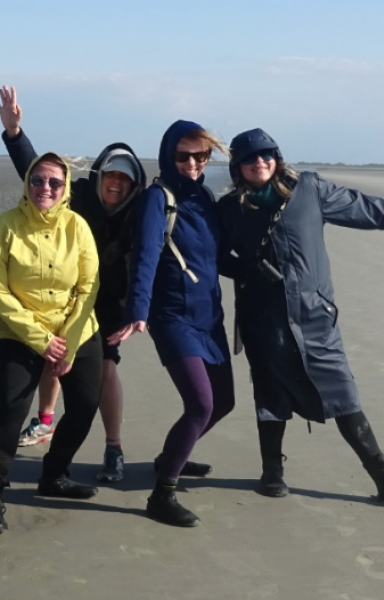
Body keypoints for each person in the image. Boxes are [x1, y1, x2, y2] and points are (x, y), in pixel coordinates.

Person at [218, 128, 384, 501]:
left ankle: (380, 474)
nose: (258, 162)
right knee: (270, 394)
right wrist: (245, 269)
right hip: (263, 319)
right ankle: (272, 473)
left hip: (315, 317)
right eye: (248, 158)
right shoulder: (230, 209)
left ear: (276, 157)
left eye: (265, 154)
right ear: (237, 166)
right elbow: (210, 253)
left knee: (343, 394)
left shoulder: (309, 190)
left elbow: (368, 209)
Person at [0, 85, 146, 482]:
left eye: (124, 180)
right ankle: (45, 420)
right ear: (99, 176)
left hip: (107, 301)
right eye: (110, 175)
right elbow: (37, 173)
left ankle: (113, 446)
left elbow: (148, 261)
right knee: (52, 354)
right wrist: (14, 134)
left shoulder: (140, 213)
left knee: (102, 373)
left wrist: (138, 310)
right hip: (63, 293)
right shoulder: (76, 197)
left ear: (133, 185)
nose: (116, 184)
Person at [110, 120, 235, 527]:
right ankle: (162, 493)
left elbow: (214, 258)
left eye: (201, 155)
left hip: (209, 316)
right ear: (169, 155)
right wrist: (138, 312)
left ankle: (172, 454)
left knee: (224, 402)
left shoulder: (204, 197)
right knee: (200, 404)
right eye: (184, 155)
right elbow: (146, 256)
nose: (193, 163)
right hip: (171, 316)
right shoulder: (156, 199)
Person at [0, 149, 102, 537]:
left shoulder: (77, 226)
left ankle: (55, 475)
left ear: (65, 188)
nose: (44, 187)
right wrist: (41, 340)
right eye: (37, 179)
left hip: (75, 330)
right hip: (19, 333)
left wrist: (67, 339)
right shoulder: (4, 227)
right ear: (27, 182)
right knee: (11, 411)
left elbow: (89, 285)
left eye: (54, 182)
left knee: (84, 405)